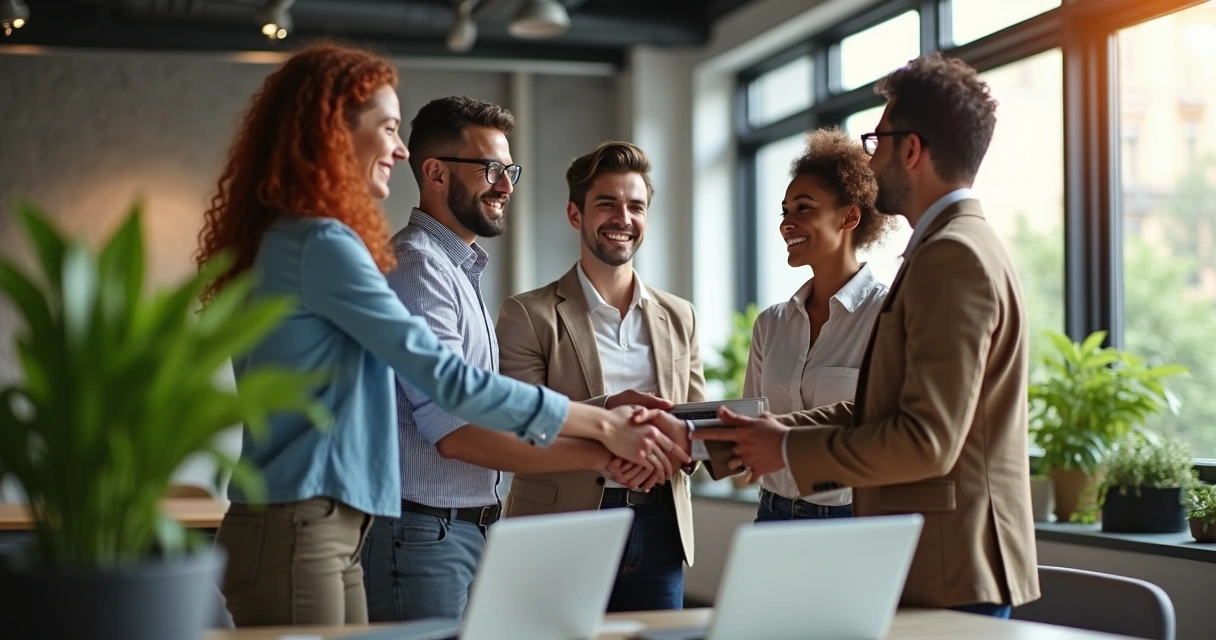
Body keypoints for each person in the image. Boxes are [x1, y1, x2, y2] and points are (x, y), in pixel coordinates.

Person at [195, 42, 685, 628]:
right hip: (312, 523)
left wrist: (605, 423)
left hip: (329, 523)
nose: (400, 148)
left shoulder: (309, 241)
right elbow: (450, 387)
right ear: (332, 133)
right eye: (388, 128)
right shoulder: (333, 246)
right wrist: (606, 429)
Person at [695, 53, 1040, 617]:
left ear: (911, 150)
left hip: (950, 567)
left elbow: (926, 439)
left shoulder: (952, 256)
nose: (870, 159)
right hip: (936, 562)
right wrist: (769, 431)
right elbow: (880, 406)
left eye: (877, 142)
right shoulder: (948, 247)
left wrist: (782, 444)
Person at [360, 99, 672, 622]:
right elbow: (456, 432)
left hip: (455, 530)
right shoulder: (419, 267)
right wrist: (601, 449)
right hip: (422, 535)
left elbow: (489, 405)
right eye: (490, 169)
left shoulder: (456, 269)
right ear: (435, 172)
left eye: (509, 170)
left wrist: (606, 407)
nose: (506, 185)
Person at [496, 141, 717, 612]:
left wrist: (664, 455)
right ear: (576, 215)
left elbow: (695, 425)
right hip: (559, 526)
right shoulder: (527, 313)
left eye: (636, 206)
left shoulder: (681, 315)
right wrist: (608, 433)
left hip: (659, 525)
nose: (623, 217)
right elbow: (520, 425)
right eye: (607, 204)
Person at [744, 127, 898, 523]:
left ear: (849, 216)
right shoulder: (770, 325)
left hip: (849, 516)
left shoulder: (886, 315)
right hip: (772, 512)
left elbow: (884, 427)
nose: (786, 224)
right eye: (785, 211)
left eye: (804, 208)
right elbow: (749, 426)